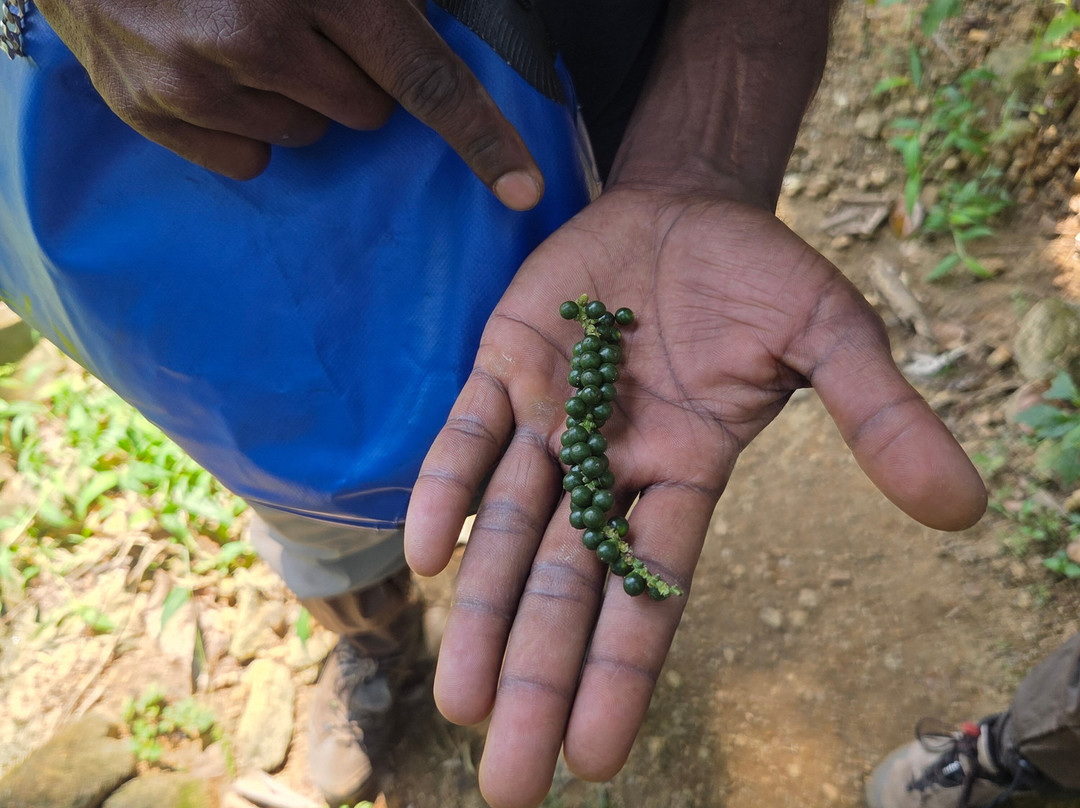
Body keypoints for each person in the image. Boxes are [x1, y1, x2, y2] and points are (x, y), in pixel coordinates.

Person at [3, 1, 1002, 807]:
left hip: (565, 121)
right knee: (305, 482)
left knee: (501, 457)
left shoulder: (594, 342)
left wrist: (699, 154)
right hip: (183, 217)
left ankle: (438, 603)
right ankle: (373, 639)